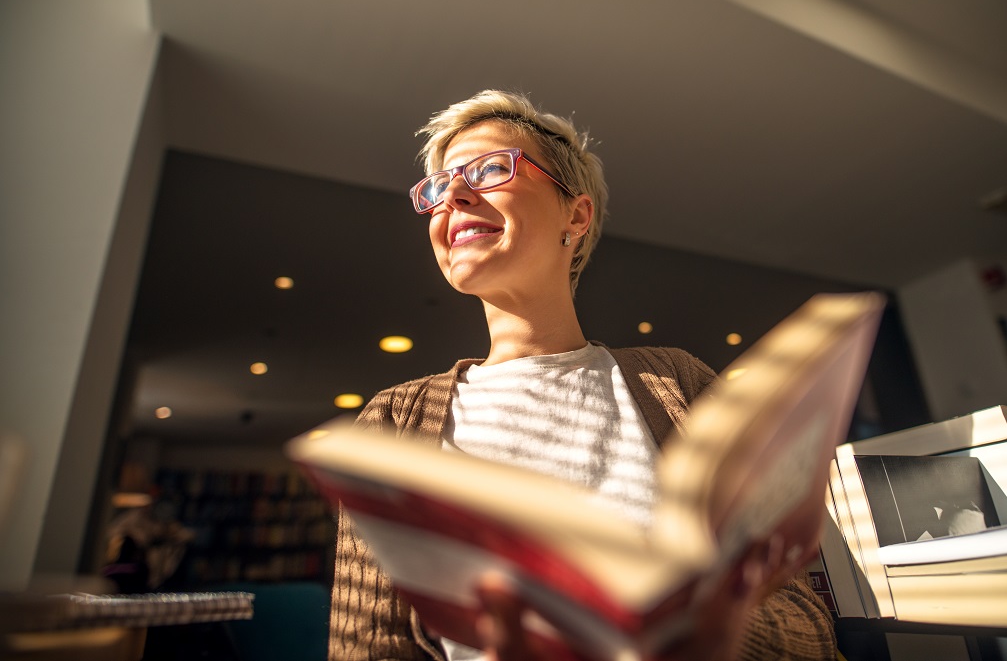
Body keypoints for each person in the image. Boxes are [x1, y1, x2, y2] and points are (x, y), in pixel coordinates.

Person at [329, 90, 836, 661]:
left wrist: (679, 631)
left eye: (491, 169)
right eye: (439, 188)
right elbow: (367, 650)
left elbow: (803, 619)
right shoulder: (395, 420)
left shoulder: (677, 384)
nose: (456, 197)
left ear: (576, 213)